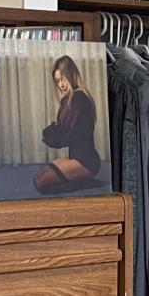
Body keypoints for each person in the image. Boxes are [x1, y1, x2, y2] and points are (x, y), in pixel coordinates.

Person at [33, 55, 101, 194]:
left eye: (63, 78)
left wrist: (55, 141)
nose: (60, 84)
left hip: (86, 162)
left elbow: (76, 134)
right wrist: (50, 131)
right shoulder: (67, 100)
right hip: (75, 157)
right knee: (36, 179)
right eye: (57, 80)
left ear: (72, 75)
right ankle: (77, 179)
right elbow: (63, 129)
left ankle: (82, 182)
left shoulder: (80, 98)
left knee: (41, 184)